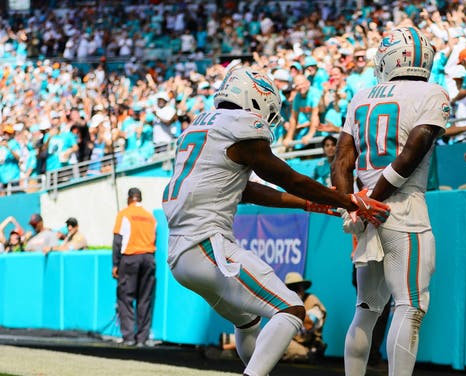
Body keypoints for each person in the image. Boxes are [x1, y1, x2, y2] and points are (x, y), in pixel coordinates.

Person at [162, 67, 390, 376]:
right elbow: (286, 177)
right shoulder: (242, 126)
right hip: (206, 245)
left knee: (247, 320)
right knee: (292, 309)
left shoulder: (199, 127)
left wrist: (311, 203)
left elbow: (247, 189)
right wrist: (344, 198)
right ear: (256, 99)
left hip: (179, 253)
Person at [331, 27, 448, 376]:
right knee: (410, 306)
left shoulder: (361, 95)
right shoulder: (432, 92)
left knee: (366, 308)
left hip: (367, 211)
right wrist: (369, 201)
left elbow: (340, 160)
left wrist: (353, 203)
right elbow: (413, 152)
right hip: (402, 207)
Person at [112, 187, 158, 347]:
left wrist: (115, 264)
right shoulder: (151, 217)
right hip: (149, 258)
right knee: (144, 299)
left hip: (130, 258)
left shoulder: (124, 214)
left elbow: (118, 240)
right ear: (140, 198)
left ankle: (129, 337)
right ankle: (142, 338)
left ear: (129, 198)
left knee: (125, 298)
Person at [282, 272, 327, 363]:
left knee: (282, 347)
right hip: (290, 340)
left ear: (302, 288)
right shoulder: (284, 303)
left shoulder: (311, 300)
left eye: (298, 287)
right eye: (291, 288)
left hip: (306, 343)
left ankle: (311, 353)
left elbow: (309, 324)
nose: (296, 291)